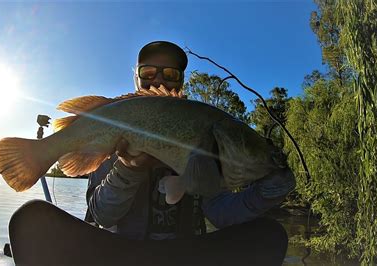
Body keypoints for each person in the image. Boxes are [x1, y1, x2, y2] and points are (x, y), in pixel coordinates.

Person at [84, 41, 296, 264]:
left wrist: (265, 194)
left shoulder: (202, 133)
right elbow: (102, 215)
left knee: (268, 235)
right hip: (126, 254)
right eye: (147, 72)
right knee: (43, 216)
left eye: (170, 74)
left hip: (189, 254)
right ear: (136, 77)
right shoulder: (111, 129)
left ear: (181, 81)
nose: (158, 80)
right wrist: (128, 168)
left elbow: (220, 213)